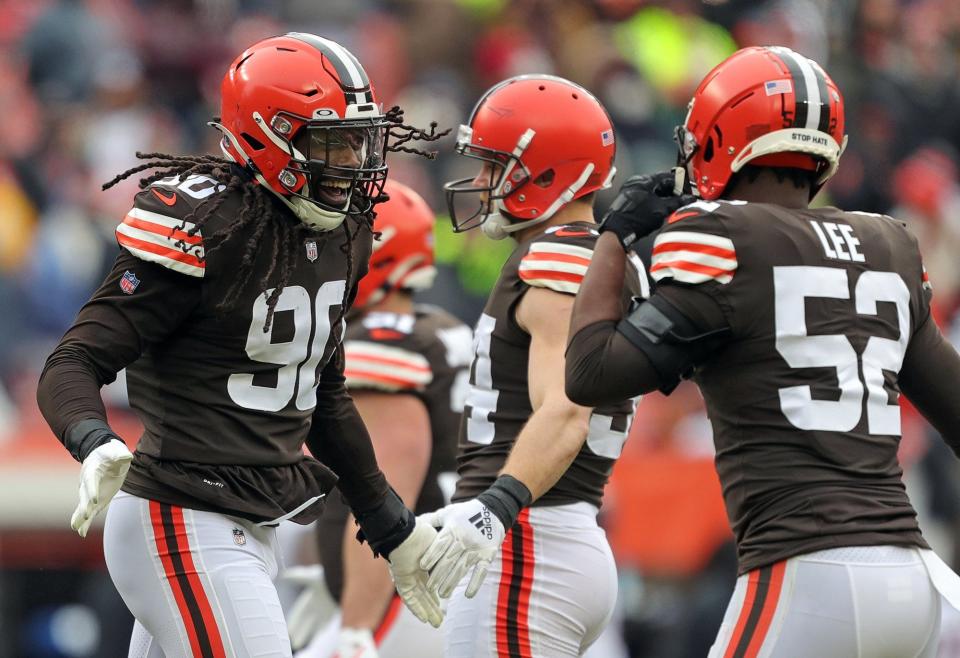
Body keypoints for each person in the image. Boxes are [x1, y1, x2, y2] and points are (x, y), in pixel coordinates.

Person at [36, 33, 447, 658]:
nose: (351, 161)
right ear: (268, 136)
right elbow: (74, 360)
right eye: (329, 141)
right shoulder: (206, 226)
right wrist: (93, 440)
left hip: (250, 525)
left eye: (357, 140)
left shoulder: (344, 234)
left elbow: (325, 398)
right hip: (181, 516)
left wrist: (390, 524)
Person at [564, 45, 960, 657]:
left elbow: (590, 373)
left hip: (806, 574)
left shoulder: (722, 236)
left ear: (721, 139)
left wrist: (614, 236)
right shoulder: (889, 243)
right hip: (919, 582)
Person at [418, 74, 647, 657]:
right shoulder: (591, 254)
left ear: (545, 171)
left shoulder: (560, 256)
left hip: (529, 537)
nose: (483, 183)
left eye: (497, 166)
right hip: (556, 535)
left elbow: (566, 409)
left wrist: (496, 508)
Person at [296, 180, 473, 658]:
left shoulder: (380, 341)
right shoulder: (440, 328)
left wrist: (356, 620)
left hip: (403, 596)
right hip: (443, 582)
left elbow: (384, 493)